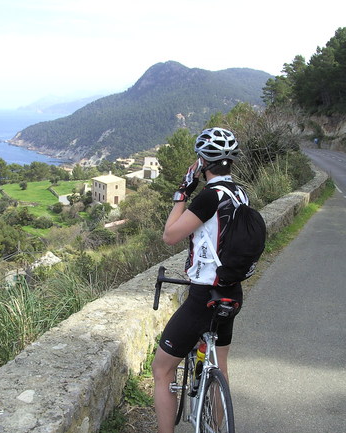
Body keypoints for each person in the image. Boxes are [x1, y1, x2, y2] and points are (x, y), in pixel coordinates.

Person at [152, 127, 248, 433]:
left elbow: (170, 235)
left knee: (162, 370)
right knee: (221, 367)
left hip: (203, 297)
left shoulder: (209, 197)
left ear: (202, 162)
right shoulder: (240, 194)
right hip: (232, 293)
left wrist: (183, 192)